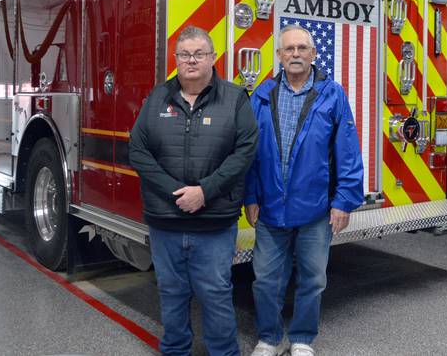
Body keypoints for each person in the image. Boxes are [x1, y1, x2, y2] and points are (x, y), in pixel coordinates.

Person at [129, 26, 258, 356]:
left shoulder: (234, 99)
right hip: (165, 222)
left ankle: (225, 353)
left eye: (199, 54)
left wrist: (204, 191)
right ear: (176, 59)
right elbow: (138, 151)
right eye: (184, 54)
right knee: (171, 292)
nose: (191, 60)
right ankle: (175, 350)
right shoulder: (157, 97)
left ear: (213, 58)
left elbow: (244, 151)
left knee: (215, 293)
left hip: (214, 222)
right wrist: (176, 192)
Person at [244, 24, 364, 356]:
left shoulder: (333, 94)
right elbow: (249, 151)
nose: (295, 54)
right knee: (266, 281)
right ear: (279, 56)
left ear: (313, 54)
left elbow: (348, 151)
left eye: (302, 48)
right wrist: (251, 197)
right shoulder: (262, 95)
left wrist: (343, 200)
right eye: (289, 49)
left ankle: (301, 339)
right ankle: (269, 338)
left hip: (315, 210)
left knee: (313, 280)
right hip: (270, 208)